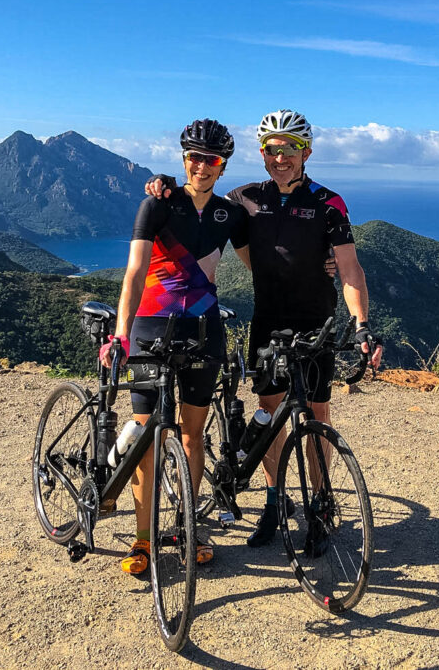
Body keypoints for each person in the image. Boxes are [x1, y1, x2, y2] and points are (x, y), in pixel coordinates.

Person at [147, 109, 383, 550]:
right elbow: (199, 201)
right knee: (270, 411)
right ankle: (274, 502)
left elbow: (350, 268)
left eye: (290, 148)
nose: (281, 158)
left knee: (317, 413)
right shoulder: (244, 198)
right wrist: (162, 182)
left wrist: (363, 324)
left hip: (316, 321)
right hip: (269, 323)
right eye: (272, 149)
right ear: (262, 153)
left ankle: (321, 504)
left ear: (305, 152)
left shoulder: (328, 202)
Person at [101, 118, 249, 576]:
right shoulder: (158, 205)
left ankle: (187, 527)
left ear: (222, 167)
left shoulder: (231, 215)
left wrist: (321, 264)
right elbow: (135, 273)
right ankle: (143, 539)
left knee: (191, 434)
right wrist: (121, 336)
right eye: (193, 157)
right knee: (147, 434)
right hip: (151, 328)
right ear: (183, 158)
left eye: (211, 160)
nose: (201, 166)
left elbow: (264, 263)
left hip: (204, 331)